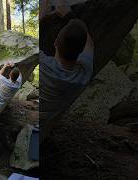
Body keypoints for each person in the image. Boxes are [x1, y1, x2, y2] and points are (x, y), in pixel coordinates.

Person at [40, 2, 94, 138]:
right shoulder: (84, 73)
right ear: (81, 51)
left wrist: (42, 14)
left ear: (56, 42)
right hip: (47, 119)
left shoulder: (43, 65)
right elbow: (89, 42)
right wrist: (71, 16)